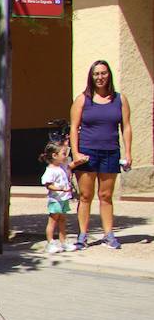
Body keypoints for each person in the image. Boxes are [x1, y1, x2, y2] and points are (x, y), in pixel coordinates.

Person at [69, 60, 133, 250]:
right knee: (85, 195)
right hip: (87, 153)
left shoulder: (120, 99)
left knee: (106, 195)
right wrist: (76, 152)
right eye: (96, 74)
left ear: (109, 75)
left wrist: (128, 152)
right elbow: (74, 127)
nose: (100, 77)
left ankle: (109, 234)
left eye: (103, 73)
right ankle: (82, 235)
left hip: (111, 152)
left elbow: (126, 126)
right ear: (91, 76)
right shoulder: (82, 99)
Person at [40, 141, 77, 254]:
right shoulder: (50, 170)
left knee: (62, 220)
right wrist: (61, 189)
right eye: (63, 154)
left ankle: (63, 241)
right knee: (53, 220)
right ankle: (50, 242)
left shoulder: (61, 167)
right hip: (55, 200)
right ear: (54, 156)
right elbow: (48, 185)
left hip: (63, 199)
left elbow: (70, 164)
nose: (65, 156)